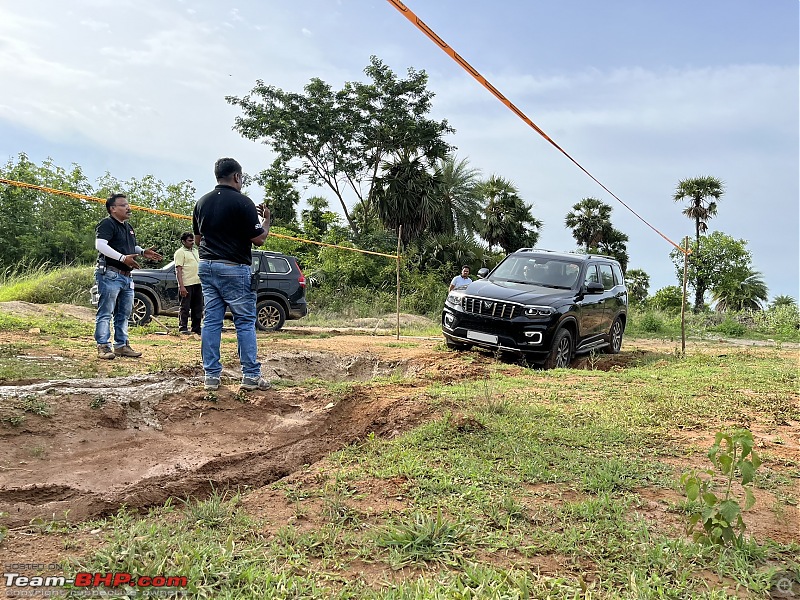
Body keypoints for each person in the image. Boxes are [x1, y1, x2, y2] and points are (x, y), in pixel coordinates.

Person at [193, 158, 271, 392]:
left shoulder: (202, 202)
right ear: (237, 177)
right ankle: (250, 376)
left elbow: (198, 240)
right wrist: (266, 221)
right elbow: (259, 238)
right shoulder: (243, 202)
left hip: (207, 267)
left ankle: (211, 377)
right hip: (234, 268)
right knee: (245, 322)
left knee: (211, 321)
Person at [94, 193, 163, 360]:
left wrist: (142, 252)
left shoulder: (128, 227)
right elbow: (100, 245)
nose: (128, 207)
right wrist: (123, 258)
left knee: (124, 313)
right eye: (123, 205)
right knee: (106, 311)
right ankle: (103, 346)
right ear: (112, 209)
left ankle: (121, 345)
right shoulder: (107, 224)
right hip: (110, 274)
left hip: (126, 276)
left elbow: (129, 246)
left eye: (127, 204)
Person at [174, 232, 203, 335]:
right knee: (185, 307)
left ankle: (196, 328)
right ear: (183, 241)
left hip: (197, 283)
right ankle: (183, 328)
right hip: (186, 284)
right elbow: (179, 270)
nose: (192, 243)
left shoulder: (196, 251)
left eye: (192, 240)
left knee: (198, 307)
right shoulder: (180, 252)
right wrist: (181, 286)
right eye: (189, 241)